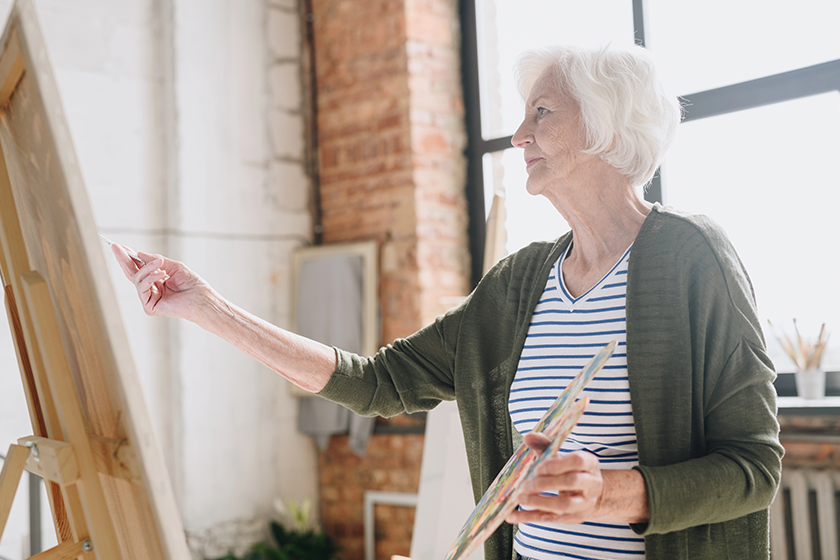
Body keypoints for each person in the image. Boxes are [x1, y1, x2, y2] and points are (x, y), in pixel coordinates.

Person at [112, 44, 783, 560]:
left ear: (606, 128)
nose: (519, 135)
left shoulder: (693, 257)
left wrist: (610, 493)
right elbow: (376, 382)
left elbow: (753, 468)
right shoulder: (518, 285)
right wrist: (205, 306)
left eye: (541, 113)